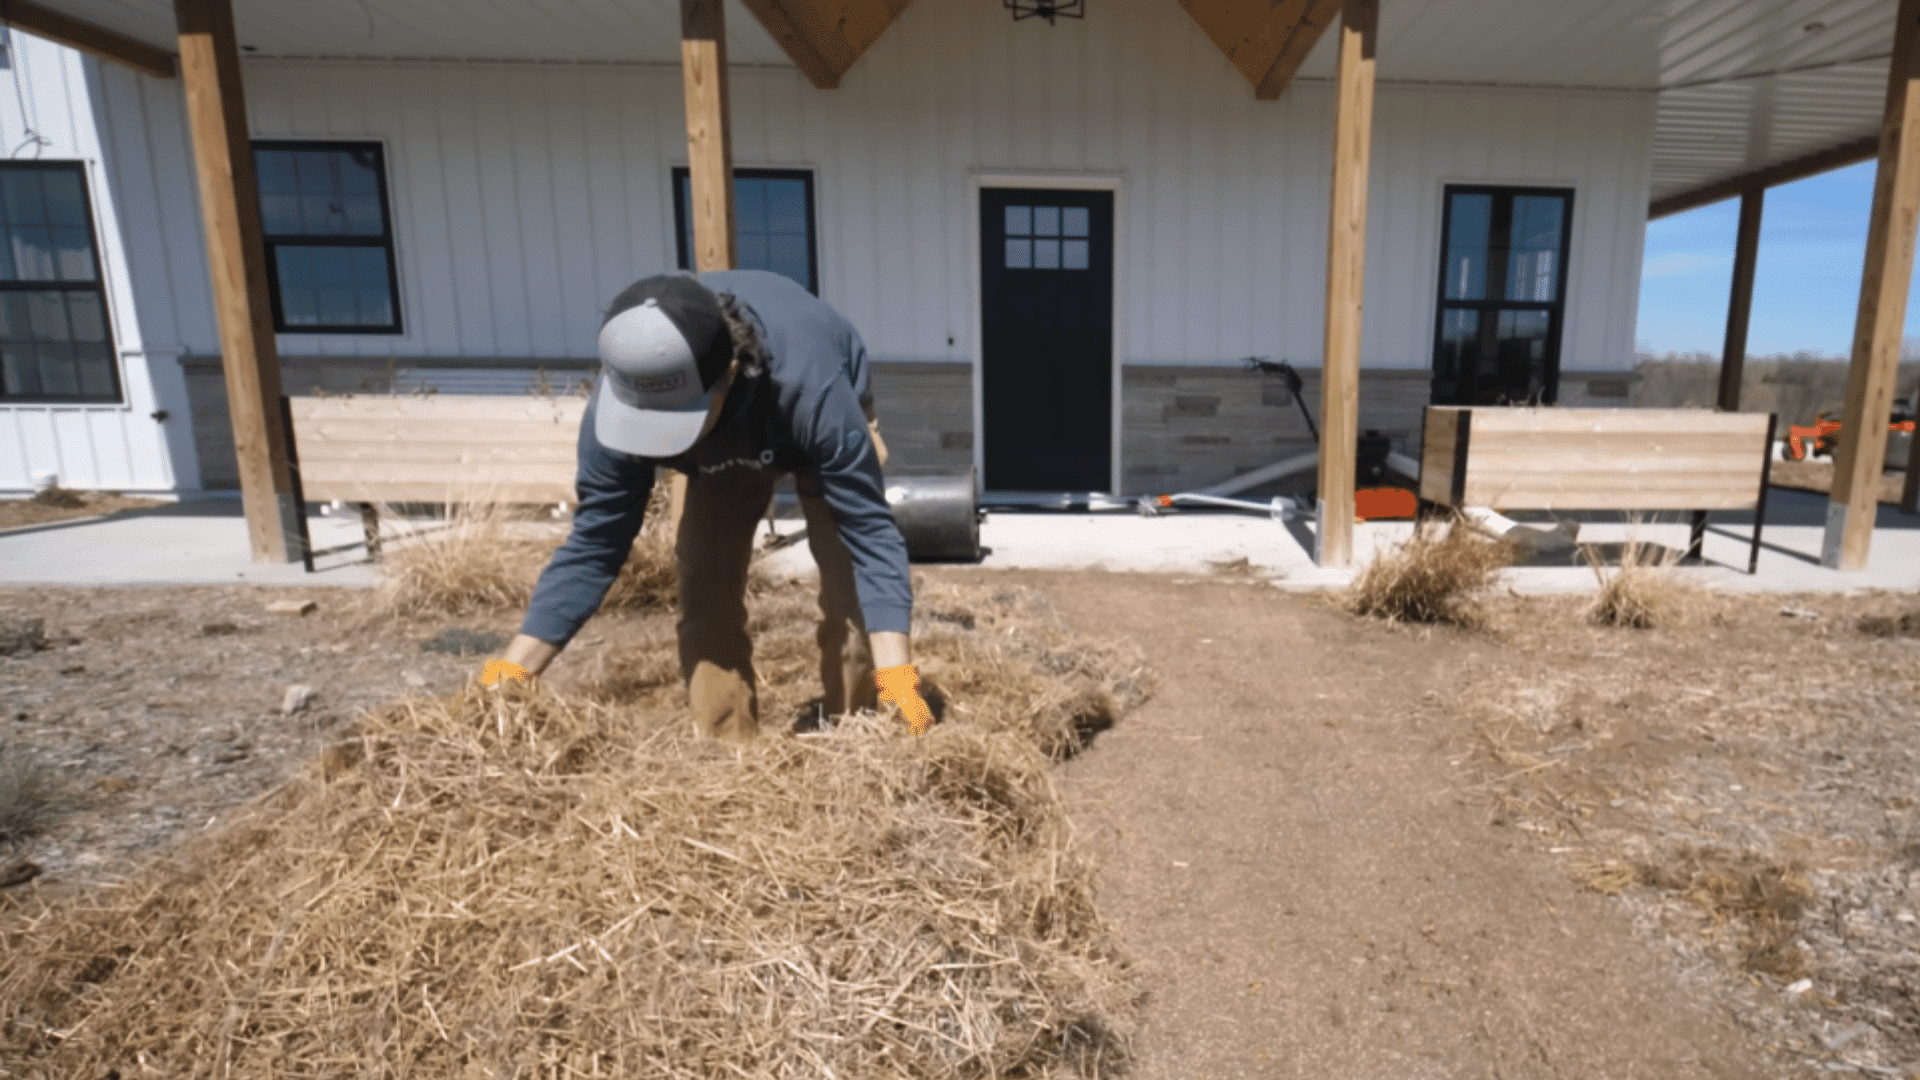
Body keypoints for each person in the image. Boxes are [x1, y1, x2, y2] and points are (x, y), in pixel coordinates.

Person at [480, 270, 934, 743]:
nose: (654, 437)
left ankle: (854, 737)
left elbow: (869, 533)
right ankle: (727, 753)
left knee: (848, 587)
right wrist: (509, 675)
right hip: (720, 458)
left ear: (732, 373)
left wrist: (898, 678)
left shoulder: (810, 384)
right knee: (704, 584)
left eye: (673, 421)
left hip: (803, 421)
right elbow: (595, 542)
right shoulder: (622, 399)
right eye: (645, 423)